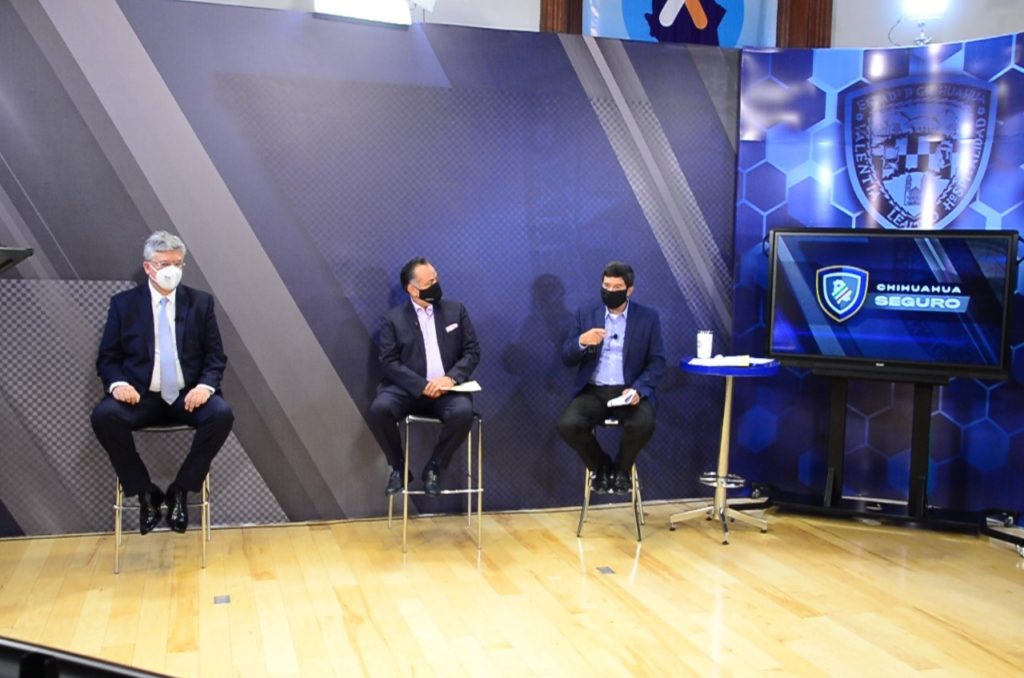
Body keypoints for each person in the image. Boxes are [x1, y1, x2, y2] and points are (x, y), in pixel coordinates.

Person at [91, 231, 234, 534]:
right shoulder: (124, 305)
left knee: (221, 414)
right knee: (105, 416)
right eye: (164, 263)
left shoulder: (200, 303)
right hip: (141, 397)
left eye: (178, 264)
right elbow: (108, 358)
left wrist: (204, 387)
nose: (172, 270)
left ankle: (180, 490)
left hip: (186, 396)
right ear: (148, 267)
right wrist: (118, 384)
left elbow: (215, 357)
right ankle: (146, 492)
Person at [368, 258, 480, 496]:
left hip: (447, 390)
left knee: (463, 413)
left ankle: (434, 467)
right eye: (430, 282)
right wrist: (422, 386)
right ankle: (399, 468)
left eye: (436, 279)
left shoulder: (456, 310)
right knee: (380, 409)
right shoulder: (393, 319)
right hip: (408, 390)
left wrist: (450, 379)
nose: (436, 285)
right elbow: (388, 361)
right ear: (412, 289)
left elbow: (472, 352)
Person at [557, 261, 665, 494]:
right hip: (594, 391)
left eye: (617, 288)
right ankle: (602, 468)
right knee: (568, 425)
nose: (610, 291)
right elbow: (566, 356)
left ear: (629, 290)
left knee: (644, 424)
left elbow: (657, 362)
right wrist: (582, 342)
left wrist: (638, 389)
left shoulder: (648, 318)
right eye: (606, 286)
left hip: (628, 391)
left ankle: (622, 470)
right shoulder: (586, 314)